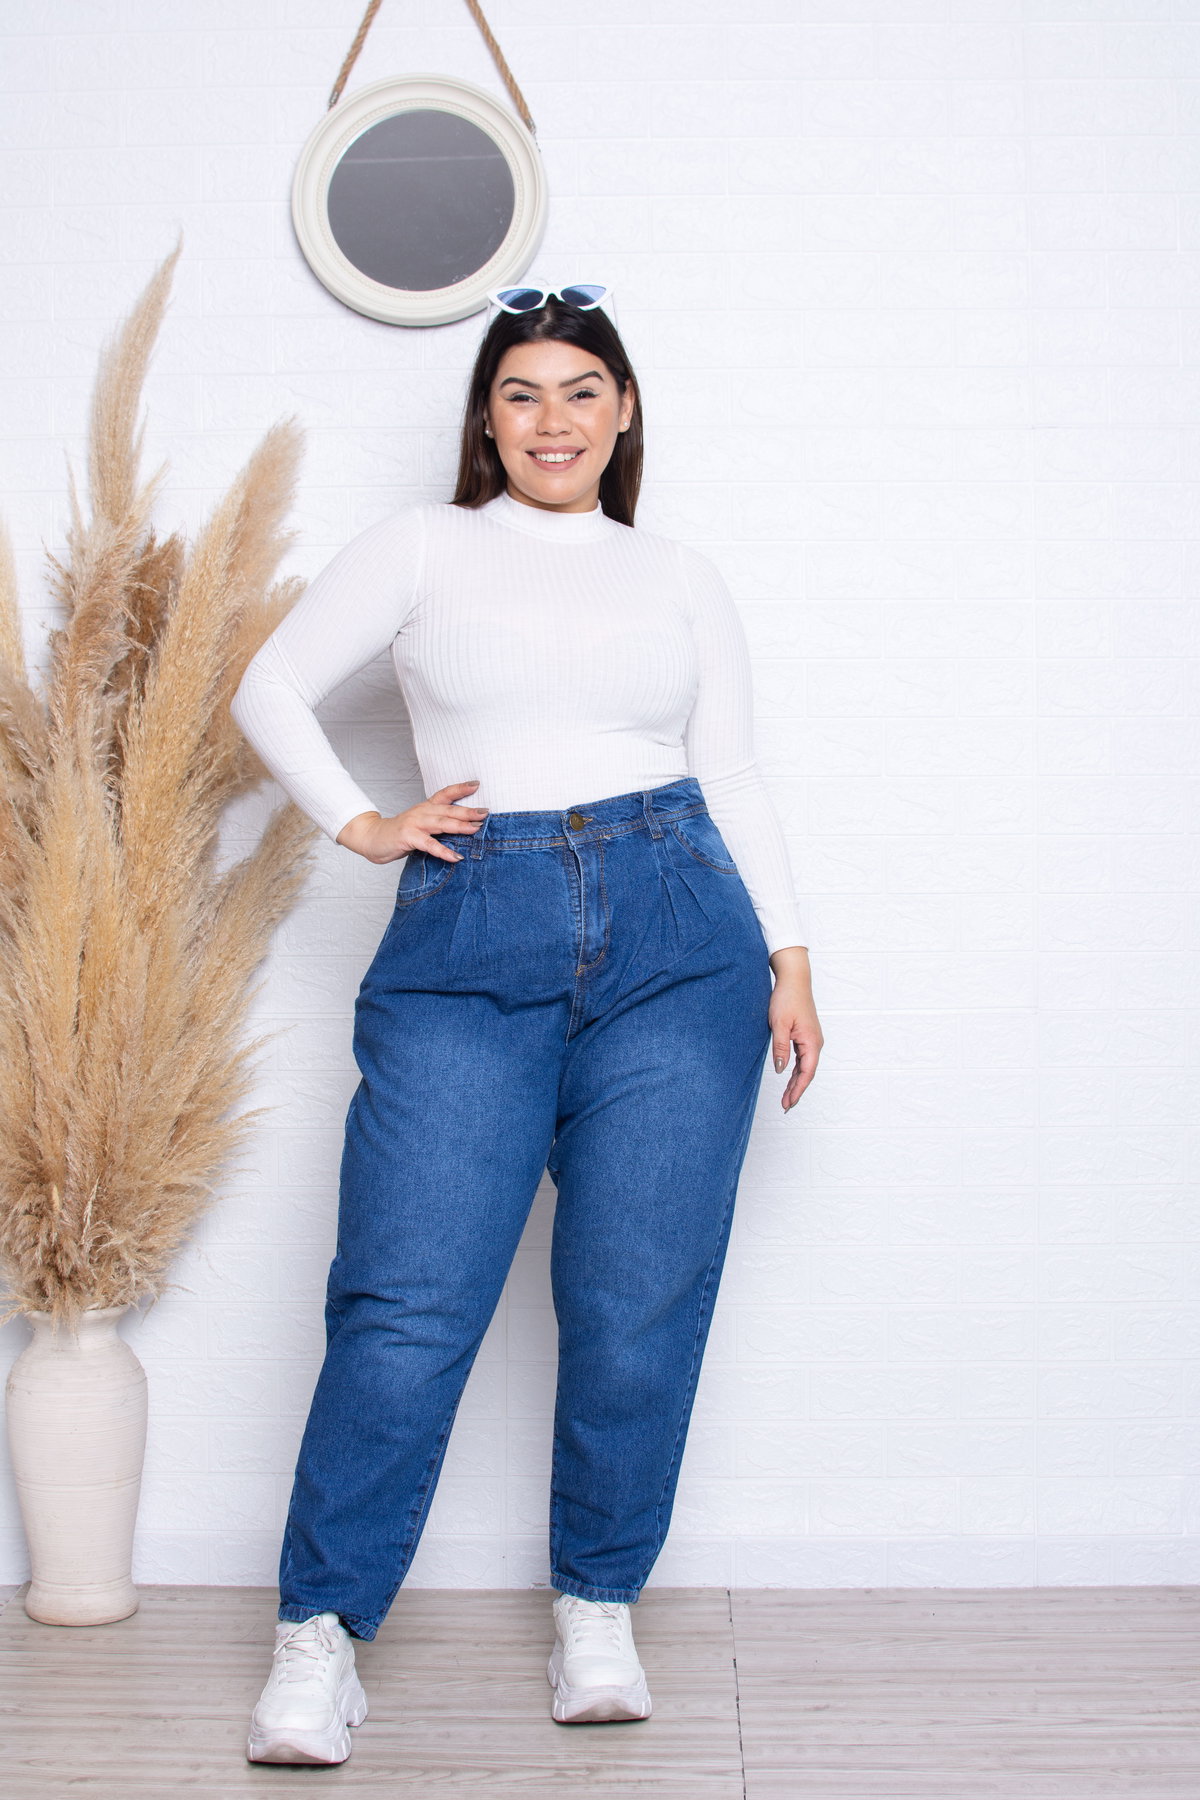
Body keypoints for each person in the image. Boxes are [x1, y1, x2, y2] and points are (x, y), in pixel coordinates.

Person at [230, 280, 823, 1766]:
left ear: (623, 413)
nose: (552, 420)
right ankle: (320, 1635)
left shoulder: (677, 574)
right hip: (469, 926)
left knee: (639, 1296)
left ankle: (597, 1605)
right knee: (405, 1301)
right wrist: (364, 823)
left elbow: (733, 774)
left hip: (682, 933)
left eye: (579, 392)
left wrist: (791, 954)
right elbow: (270, 686)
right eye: (521, 393)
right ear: (486, 422)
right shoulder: (425, 547)